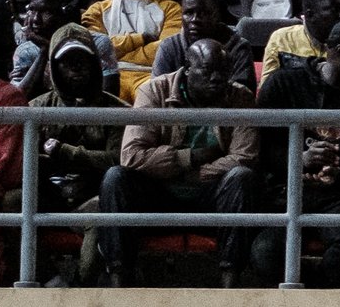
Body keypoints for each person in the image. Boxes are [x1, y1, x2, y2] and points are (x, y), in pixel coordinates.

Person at [250, 17, 340, 288]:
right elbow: (262, 147)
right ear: (337, 50)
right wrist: (299, 160)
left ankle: (315, 295)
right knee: (265, 252)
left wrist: (339, 172)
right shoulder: (284, 85)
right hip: (287, 192)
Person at [104, 36, 260, 288]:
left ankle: (231, 282)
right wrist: (189, 157)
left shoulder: (240, 97)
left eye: (224, 71)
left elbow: (244, 158)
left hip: (211, 196)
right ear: (188, 70)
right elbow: (131, 156)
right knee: (116, 177)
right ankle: (118, 279)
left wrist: (188, 174)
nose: (218, 78)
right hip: (160, 194)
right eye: (208, 71)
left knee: (241, 177)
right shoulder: (154, 91)